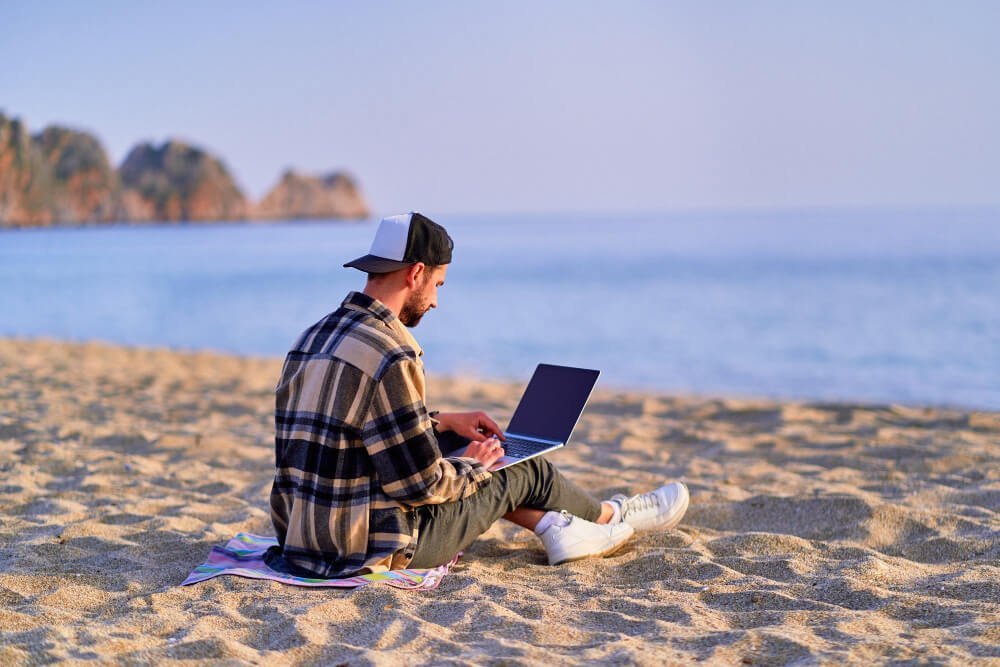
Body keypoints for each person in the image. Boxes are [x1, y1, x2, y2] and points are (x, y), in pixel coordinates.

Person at [265, 212, 689, 578]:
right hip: (368, 548)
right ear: (415, 273)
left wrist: (442, 423)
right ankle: (610, 516)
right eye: (438, 284)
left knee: (456, 444)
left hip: (304, 538)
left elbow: (350, 427)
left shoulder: (314, 335)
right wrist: (475, 465)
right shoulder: (393, 351)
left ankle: (558, 527)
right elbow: (420, 486)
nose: (434, 301)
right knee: (519, 470)